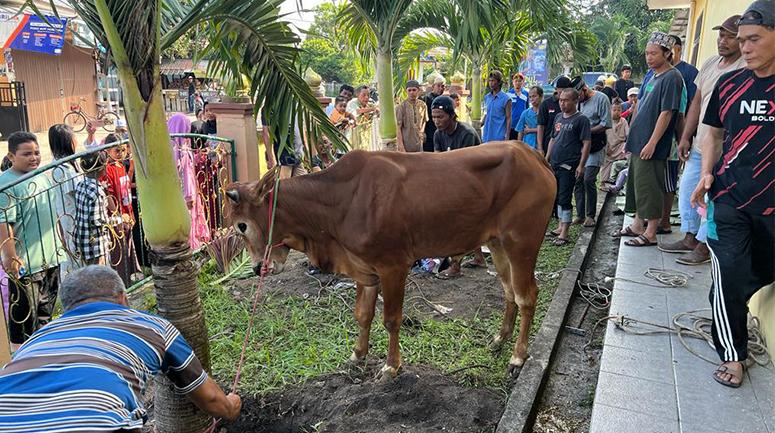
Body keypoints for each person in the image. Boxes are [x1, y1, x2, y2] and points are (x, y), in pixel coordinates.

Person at [0, 265, 242, 429]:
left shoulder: (36, 340)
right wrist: (230, 407)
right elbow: (210, 398)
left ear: (67, 308)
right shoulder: (151, 326)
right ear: (123, 298)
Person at [690, 0, 775, 388]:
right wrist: (706, 173)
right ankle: (733, 354)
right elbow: (714, 134)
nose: (745, 47)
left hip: (770, 207)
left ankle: (732, 303)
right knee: (726, 275)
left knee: (755, 275)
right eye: (741, 40)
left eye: (754, 39)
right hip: (729, 199)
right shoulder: (729, 83)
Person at [659, 14, 746, 266]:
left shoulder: (743, 68)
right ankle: (689, 236)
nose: (723, 40)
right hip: (701, 142)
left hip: (726, 149)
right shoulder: (710, 64)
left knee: (714, 198)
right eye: (722, 34)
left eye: (731, 36)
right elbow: (697, 101)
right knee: (688, 189)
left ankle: (704, 244)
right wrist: (686, 135)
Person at [615, 32, 684, 247]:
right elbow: (639, 107)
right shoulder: (651, 76)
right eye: (647, 53)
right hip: (638, 140)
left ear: (667, 53)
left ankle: (651, 231)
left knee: (651, 186)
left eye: (654, 53)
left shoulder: (672, 78)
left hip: (652, 144)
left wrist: (653, 142)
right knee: (637, 184)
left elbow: (667, 113)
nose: (649, 57)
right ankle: (637, 225)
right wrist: (631, 137)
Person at [0, 132, 62, 350]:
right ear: (11, 156)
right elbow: (4, 223)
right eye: (27, 154)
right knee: (24, 318)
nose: (34, 158)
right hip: (26, 263)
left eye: (36, 153)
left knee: (45, 313)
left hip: (50, 257)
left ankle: (43, 354)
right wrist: (11, 257)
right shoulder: (6, 184)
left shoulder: (41, 175)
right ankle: (23, 362)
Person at [430, 95, 483, 277]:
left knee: (457, 224)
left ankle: (455, 267)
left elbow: (465, 168)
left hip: (473, 183)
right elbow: (437, 162)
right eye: (434, 117)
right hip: (452, 183)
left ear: (452, 116)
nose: (436, 121)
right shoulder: (438, 134)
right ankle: (479, 257)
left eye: (440, 117)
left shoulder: (466, 134)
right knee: (472, 223)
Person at [545, 88, 591, 245]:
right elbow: (553, 139)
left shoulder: (581, 120)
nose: (562, 103)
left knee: (565, 198)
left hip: (569, 165)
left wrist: (581, 165)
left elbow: (586, 143)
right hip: (555, 163)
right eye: (560, 100)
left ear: (575, 101)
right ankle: (559, 226)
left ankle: (564, 232)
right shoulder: (558, 117)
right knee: (557, 196)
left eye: (566, 100)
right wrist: (547, 159)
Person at [101, 134, 141, 285]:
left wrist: (129, 213)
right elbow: (108, 195)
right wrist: (118, 216)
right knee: (119, 250)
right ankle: (120, 282)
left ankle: (130, 278)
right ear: (107, 150)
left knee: (128, 247)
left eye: (123, 150)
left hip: (126, 212)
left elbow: (126, 190)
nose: (121, 153)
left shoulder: (120, 166)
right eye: (117, 150)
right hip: (116, 217)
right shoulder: (107, 170)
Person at [573, 77, 613, 227]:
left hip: (596, 145)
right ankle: (580, 215)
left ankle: (590, 215)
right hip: (580, 147)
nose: (578, 101)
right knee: (578, 179)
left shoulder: (601, 99)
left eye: (579, 97)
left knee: (589, 179)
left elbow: (606, 123)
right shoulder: (578, 103)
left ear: (584, 90)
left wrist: (587, 131)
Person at [168, 113, 211, 250]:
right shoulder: (181, 150)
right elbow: (184, 174)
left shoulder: (174, 149)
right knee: (189, 225)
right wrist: (189, 196)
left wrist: (199, 156)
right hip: (187, 196)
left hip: (180, 196)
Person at [48, 124, 81, 277]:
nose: (77, 141)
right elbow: (75, 192)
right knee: (74, 256)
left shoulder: (70, 163)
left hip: (76, 216)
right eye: (74, 138)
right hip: (71, 217)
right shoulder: (61, 168)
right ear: (66, 141)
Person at [74, 151, 117, 265]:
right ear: (102, 169)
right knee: (98, 277)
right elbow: (98, 222)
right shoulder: (97, 192)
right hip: (95, 246)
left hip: (82, 240)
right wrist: (119, 220)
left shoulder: (80, 185)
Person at [537, 76, 572, 155]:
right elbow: (540, 126)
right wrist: (540, 147)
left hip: (567, 147)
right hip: (549, 144)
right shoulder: (546, 104)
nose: (562, 95)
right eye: (561, 91)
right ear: (556, 89)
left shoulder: (572, 104)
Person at [600, 99, 630, 186]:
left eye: (619, 110)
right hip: (608, 146)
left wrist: (626, 147)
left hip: (619, 146)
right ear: (610, 110)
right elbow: (603, 136)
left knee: (627, 155)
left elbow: (627, 135)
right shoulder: (606, 121)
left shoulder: (623, 121)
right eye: (614, 110)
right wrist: (606, 146)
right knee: (605, 164)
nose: (617, 112)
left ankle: (620, 182)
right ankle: (603, 183)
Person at [395, 80, 428, 152]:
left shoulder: (423, 105)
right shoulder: (401, 107)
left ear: (418, 90)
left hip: (419, 144)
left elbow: (424, 120)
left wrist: (421, 133)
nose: (411, 92)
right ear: (406, 91)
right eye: (409, 90)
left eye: (414, 90)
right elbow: (398, 127)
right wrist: (400, 145)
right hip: (406, 145)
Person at [668, 35, 699, 107]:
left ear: (679, 49)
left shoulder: (690, 72)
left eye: (669, 49)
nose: (666, 53)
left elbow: (694, 102)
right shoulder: (653, 71)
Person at [482, 70, 511, 143]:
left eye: (493, 81)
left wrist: (507, 136)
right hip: (487, 134)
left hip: (499, 135)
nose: (491, 83)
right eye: (490, 81)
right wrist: (480, 124)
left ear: (499, 82)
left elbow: (508, 118)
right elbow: (487, 113)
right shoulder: (487, 97)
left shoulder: (506, 99)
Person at [347, 85, 379, 151]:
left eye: (368, 95)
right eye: (363, 95)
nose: (366, 97)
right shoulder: (352, 103)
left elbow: (378, 110)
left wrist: (377, 111)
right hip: (352, 138)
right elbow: (357, 111)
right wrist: (372, 109)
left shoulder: (370, 104)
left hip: (365, 139)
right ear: (357, 94)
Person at [422, 76, 446, 152]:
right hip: (429, 133)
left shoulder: (444, 100)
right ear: (433, 87)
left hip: (441, 133)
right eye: (438, 86)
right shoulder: (426, 99)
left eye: (442, 86)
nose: (440, 88)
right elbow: (423, 118)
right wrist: (423, 132)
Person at [507, 73, 529, 140]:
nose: (518, 83)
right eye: (516, 81)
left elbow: (527, 108)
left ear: (523, 82)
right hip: (512, 125)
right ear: (513, 82)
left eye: (520, 81)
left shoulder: (526, 93)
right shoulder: (508, 94)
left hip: (522, 124)